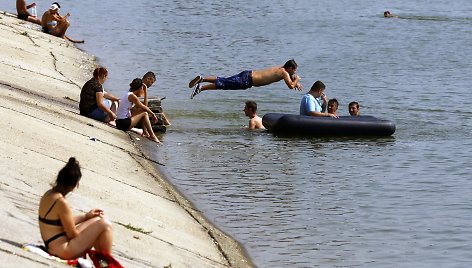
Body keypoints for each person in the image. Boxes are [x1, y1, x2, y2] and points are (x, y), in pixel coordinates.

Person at [38, 157, 113, 259]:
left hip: (54, 245)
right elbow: (72, 234)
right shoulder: (61, 202)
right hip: (64, 250)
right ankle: (107, 263)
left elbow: (61, 224)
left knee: (97, 220)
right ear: (75, 185)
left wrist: (86, 216)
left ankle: (103, 262)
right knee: (105, 224)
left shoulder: (49, 194)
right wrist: (89, 235)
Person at [188, 59, 303, 99]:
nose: (295, 72)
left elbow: (290, 78)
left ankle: (202, 80)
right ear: (289, 68)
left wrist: (294, 80)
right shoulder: (284, 73)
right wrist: (296, 81)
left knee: (224, 80)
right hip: (247, 81)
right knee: (224, 84)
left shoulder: (280, 68)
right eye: (294, 70)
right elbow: (290, 86)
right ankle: (201, 87)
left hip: (247, 74)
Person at [115, 78, 161, 143]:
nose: (142, 91)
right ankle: (152, 136)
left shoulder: (128, 94)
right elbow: (145, 108)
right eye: (142, 89)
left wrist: (145, 92)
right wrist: (153, 115)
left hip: (119, 122)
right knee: (144, 113)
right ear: (139, 89)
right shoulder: (132, 96)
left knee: (141, 111)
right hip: (123, 123)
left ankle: (145, 132)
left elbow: (144, 105)